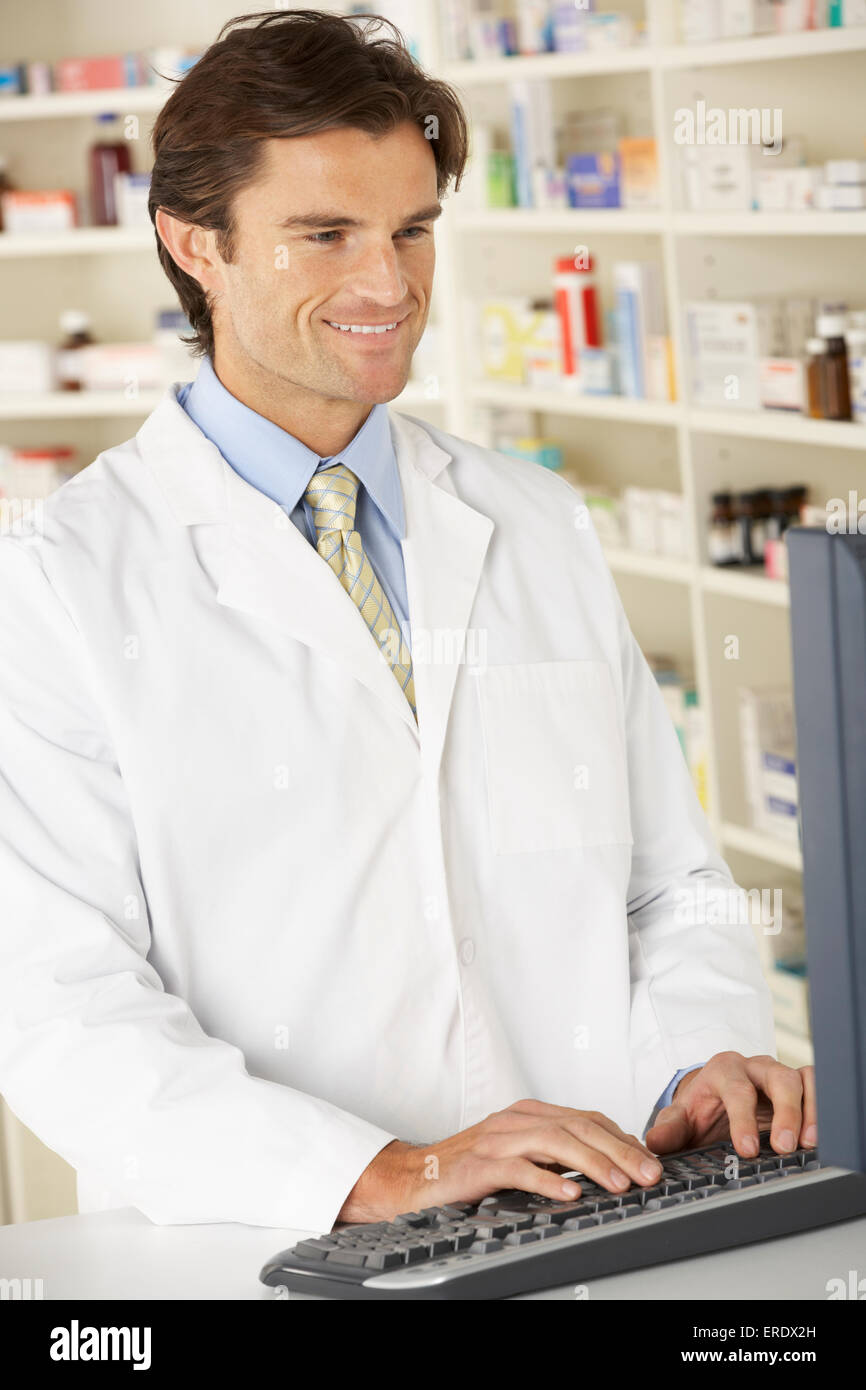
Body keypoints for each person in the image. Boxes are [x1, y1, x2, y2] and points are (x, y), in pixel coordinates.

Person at [0, 10, 813, 1234]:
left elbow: (669, 882)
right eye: (323, 234)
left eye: (412, 229)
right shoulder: (62, 582)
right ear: (194, 244)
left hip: (590, 1217)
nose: (388, 284)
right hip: (274, 1244)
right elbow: (53, 999)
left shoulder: (535, 523)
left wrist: (690, 1061)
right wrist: (375, 1172)